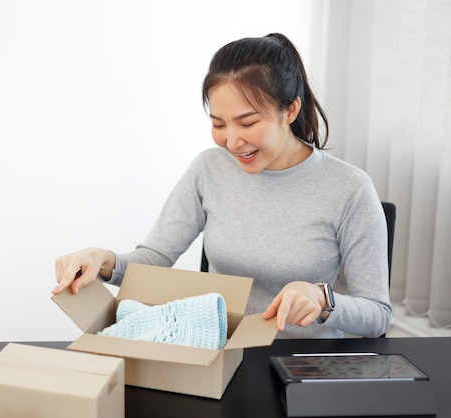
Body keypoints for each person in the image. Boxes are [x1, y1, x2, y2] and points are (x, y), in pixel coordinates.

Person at [53, 33, 392, 339]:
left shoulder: (350, 189)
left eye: (248, 122)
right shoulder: (208, 169)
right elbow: (154, 259)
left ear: (290, 110)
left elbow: (378, 315)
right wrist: (103, 260)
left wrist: (322, 299)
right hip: (219, 354)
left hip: (301, 365)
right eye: (218, 124)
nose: (231, 141)